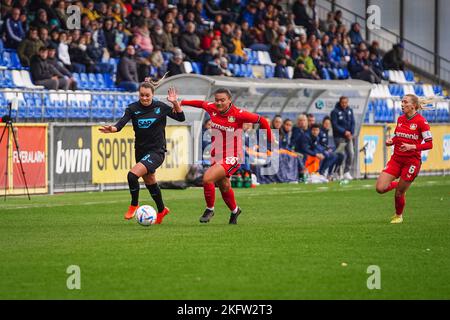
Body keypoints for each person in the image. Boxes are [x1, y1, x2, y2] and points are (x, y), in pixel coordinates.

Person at [180, 88, 275, 224]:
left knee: (207, 178)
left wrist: (270, 139)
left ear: (229, 100)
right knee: (224, 185)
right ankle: (235, 211)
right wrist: (182, 102)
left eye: (222, 100)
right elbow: (200, 103)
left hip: (234, 155)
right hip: (217, 155)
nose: (218, 103)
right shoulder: (212, 107)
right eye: (217, 100)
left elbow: (263, 121)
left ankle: (209, 209)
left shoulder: (239, 114)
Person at [99, 82, 185, 223]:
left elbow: (181, 118)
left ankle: (134, 205)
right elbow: (120, 124)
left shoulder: (160, 107)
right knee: (150, 182)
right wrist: (112, 129)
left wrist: (175, 103)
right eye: (142, 95)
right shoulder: (132, 108)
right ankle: (162, 210)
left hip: (157, 151)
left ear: (153, 95)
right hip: (140, 150)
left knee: (132, 176)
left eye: (147, 95)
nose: (144, 98)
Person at [375, 95, 433, 224]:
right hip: (396, 159)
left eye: (405, 102)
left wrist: (412, 146)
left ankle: (398, 216)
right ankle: (398, 184)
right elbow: (397, 135)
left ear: (413, 106)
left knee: (399, 193)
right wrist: (391, 141)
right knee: (380, 188)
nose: (402, 104)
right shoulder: (400, 119)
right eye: (402, 102)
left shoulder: (421, 122)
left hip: (411, 162)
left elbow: (429, 144)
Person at [330, 96, 355, 180]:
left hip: (348, 137)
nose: (344, 104)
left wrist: (351, 132)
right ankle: (337, 172)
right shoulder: (335, 112)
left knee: (351, 153)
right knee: (341, 155)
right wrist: (344, 131)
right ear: (340, 102)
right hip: (339, 137)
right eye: (343, 102)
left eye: (346, 102)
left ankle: (346, 172)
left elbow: (353, 122)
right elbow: (335, 125)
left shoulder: (350, 111)